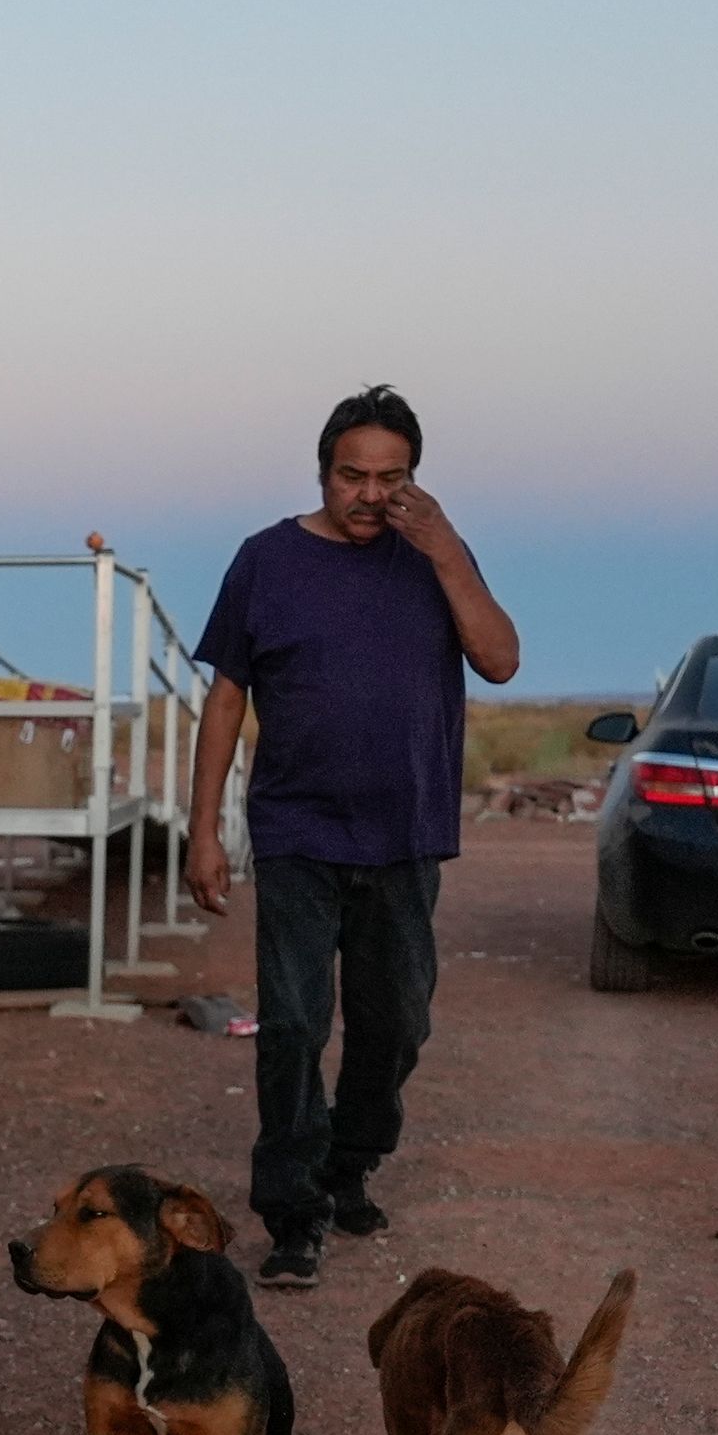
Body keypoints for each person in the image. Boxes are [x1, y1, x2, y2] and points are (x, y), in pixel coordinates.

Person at [181, 386, 521, 1289]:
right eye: (352, 476)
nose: (369, 495)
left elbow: (500, 659)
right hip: (297, 830)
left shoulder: (434, 558)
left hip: (406, 834)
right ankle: (293, 1212)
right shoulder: (267, 560)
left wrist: (444, 549)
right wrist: (202, 829)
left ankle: (349, 1163)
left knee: (396, 1023)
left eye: (391, 478)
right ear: (323, 472)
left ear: (414, 479)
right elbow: (226, 698)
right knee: (293, 1026)